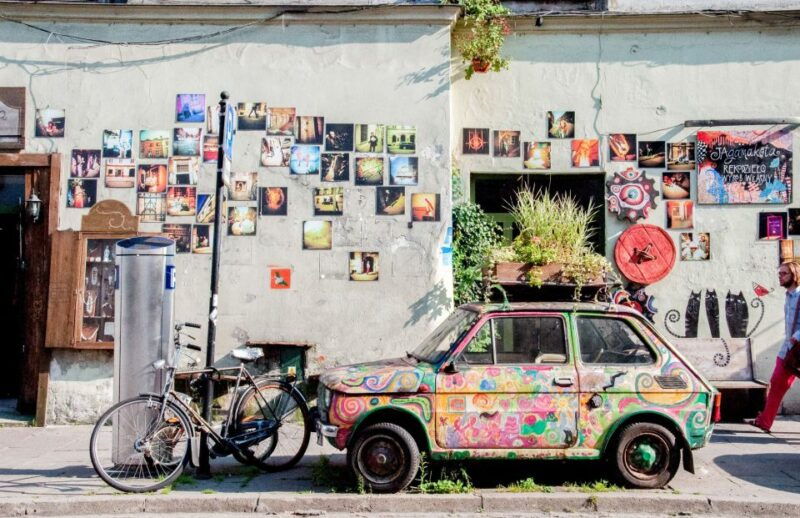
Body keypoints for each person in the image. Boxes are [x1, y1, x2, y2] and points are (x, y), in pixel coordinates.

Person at [750, 261, 800, 432]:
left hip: (797, 348)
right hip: (788, 350)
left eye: (784, 273)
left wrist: (796, 337)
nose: (780, 276)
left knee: (778, 382)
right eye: (779, 273)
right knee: (777, 382)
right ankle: (764, 422)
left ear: (794, 275)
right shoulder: (789, 295)